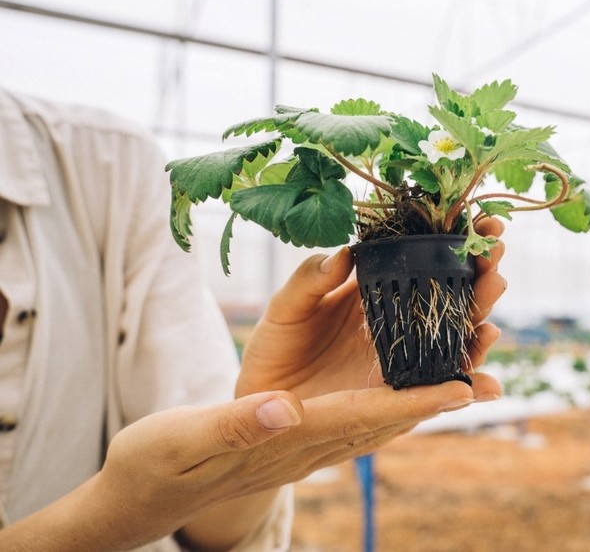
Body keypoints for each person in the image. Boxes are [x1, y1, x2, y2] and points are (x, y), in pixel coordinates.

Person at [0, 87, 506, 551]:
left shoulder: (106, 163)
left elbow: (213, 513)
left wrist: (250, 458)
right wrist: (111, 514)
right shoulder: (108, 164)